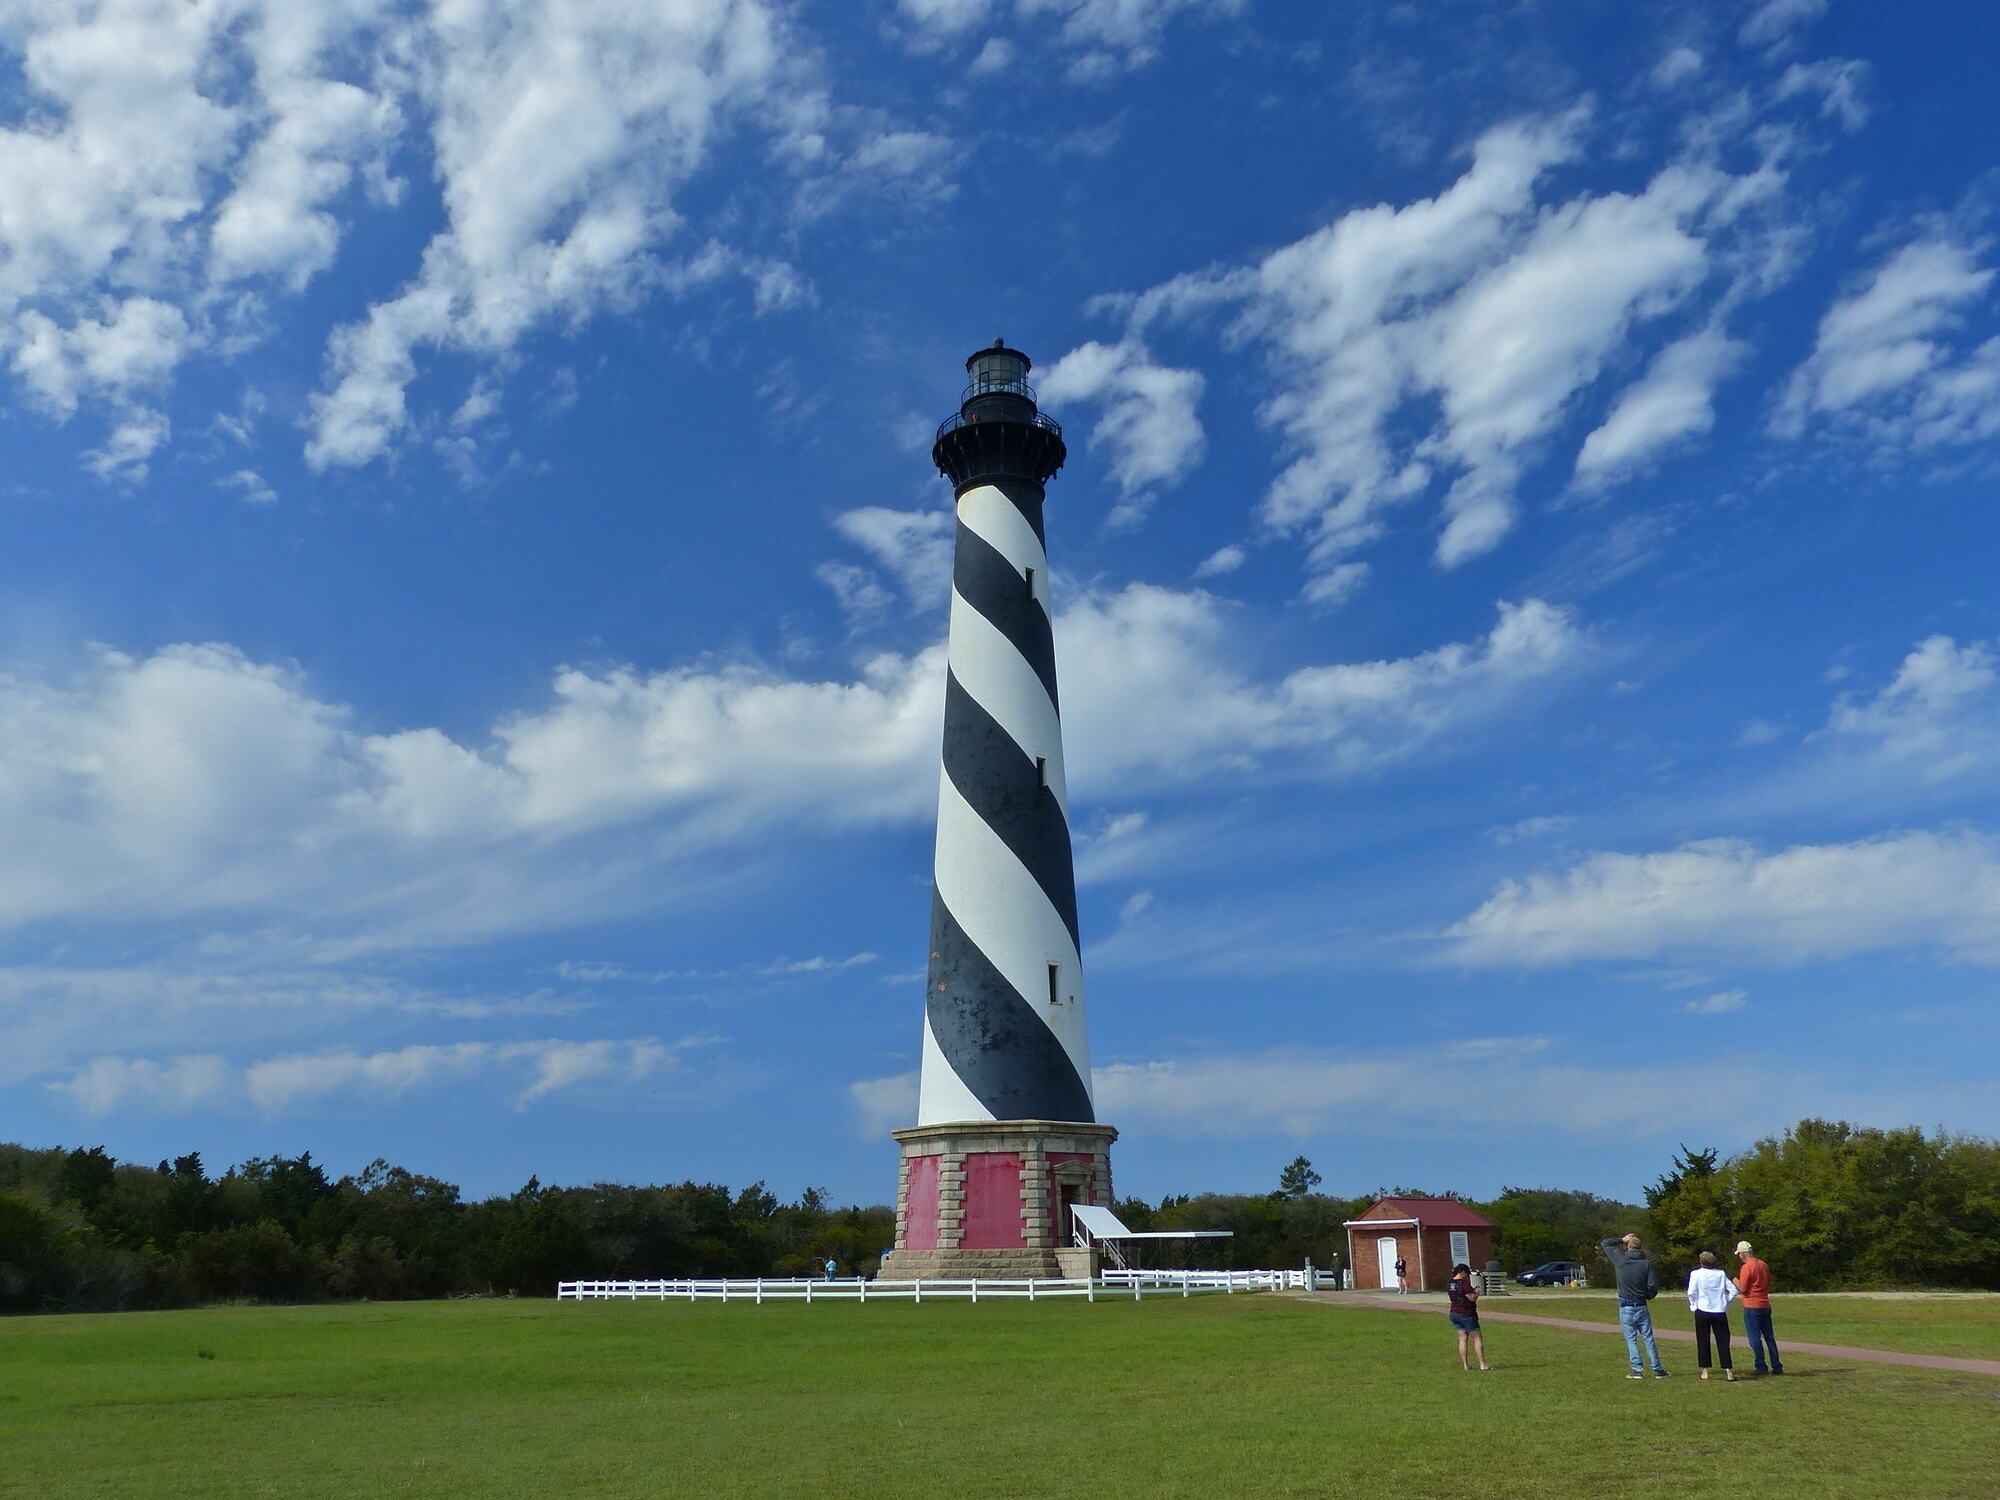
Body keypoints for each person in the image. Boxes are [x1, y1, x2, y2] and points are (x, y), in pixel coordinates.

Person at [1600, 1232, 1669, 1379]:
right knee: (1648, 1338)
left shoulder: (1620, 1259)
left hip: (1626, 1305)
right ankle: (1657, 1369)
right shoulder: (1646, 1264)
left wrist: (1621, 1239)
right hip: (1641, 1304)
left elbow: (1605, 1243)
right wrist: (1647, 1296)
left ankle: (1637, 1369)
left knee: (1631, 1339)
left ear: (1628, 1247)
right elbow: (1652, 1286)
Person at [1686, 1251, 1739, 1381]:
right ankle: (1728, 1372)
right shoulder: (1720, 1274)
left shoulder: (1696, 1274)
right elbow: (1733, 1290)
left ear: (1701, 1262)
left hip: (1702, 1310)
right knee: (1723, 1341)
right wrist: (1725, 1302)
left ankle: (1705, 1371)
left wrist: (1693, 1305)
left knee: (1703, 1340)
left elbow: (1691, 1292)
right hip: (1719, 1311)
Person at [1734, 1240, 1784, 1375]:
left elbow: (1743, 1288)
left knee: (1754, 1338)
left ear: (1743, 1254)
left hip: (1752, 1305)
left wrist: (1735, 1281)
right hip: (1765, 1304)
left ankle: (1761, 1366)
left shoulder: (1746, 1267)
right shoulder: (1763, 1264)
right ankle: (1777, 1366)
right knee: (1769, 1337)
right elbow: (1768, 1282)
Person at [1445, 1263, 1489, 1371]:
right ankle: (1483, 1364)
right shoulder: (1463, 1283)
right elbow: (1471, 1297)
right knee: (1477, 1339)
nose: (1467, 1276)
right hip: (1466, 1314)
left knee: (1462, 1338)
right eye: (1466, 1274)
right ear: (1462, 1272)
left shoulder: (1450, 1283)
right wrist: (1477, 1292)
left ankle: (1466, 1364)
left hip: (1454, 1313)